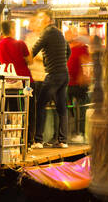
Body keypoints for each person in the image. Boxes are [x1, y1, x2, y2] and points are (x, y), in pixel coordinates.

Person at [28, 10, 69, 148]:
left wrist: (23, 59)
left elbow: (34, 50)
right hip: (64, 74)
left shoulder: (46, 33)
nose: (38, 22)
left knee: (40, 105)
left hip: (53, 75)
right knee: (62, 108)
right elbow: (68, 50)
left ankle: (38, 140)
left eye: (40, 19)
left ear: (46, 20)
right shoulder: (59, 33)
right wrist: (61, 62)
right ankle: (63, 141)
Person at [67, 27, 91, 143]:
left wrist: (84, 76)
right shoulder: (74, 48)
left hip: (74, 83)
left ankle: (78, 133)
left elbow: (85, 62)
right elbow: (86, 62)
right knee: (75, 109)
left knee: (77, 109)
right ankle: (75, 133)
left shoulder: (79, 48)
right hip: (71, 83)